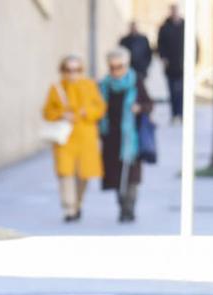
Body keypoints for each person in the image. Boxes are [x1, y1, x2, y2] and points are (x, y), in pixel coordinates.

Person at [41, 54, 104, 222]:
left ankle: (78, 204)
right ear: (62, 71)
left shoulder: (89, 85)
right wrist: (62, 114)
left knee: (84, 174)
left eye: (76, 69)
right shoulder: (56, 88)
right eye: (68, 70)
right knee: (65, 173)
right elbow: (47, 112)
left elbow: (100, 108)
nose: (72, 73)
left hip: (86, 136)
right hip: (65, 138)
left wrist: (87, 112)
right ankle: (69, 208)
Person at [97, 47, 153, 223]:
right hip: (111, 138)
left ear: (126, 65)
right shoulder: (104, 85)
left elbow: (149, 104)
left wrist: (139, 108)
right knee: (115, 176)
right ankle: (121, 207)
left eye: (119, 66)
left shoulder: (136, 82)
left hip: (132, 137)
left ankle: (130, 208)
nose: (116, 71)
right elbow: (98, 109)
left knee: (131, 177)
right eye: (112, 67)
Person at [156, 4, 185, 121]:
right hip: (170, 66)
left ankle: (182, 114)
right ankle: (174, 114)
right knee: (172, 91)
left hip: (183, 66)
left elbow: (195, 44)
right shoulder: (164, 28)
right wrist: (163, 58)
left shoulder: (185, 26)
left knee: (182, 91)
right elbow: (160, 45)